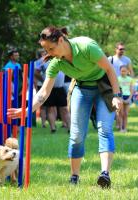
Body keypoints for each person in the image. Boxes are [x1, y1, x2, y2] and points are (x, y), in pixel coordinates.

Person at [7, 26, 122, 188]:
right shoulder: (56, 63)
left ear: (61, 40)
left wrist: (117, 96)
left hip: (105, 87)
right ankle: (74, 177)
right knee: (76, 135)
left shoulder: (86, 46)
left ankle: (105, 175)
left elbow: (109, 70)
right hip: (81, 89)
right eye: (46, 49)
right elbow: (43, 93)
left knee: (105, 129)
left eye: (51, 48)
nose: (49, 53)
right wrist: (26, 111)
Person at [118, 65, 134, 132]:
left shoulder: (130, 79)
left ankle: (125, 128)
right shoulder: (117, 79)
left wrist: (129, 98)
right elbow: (117, 90)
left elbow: (131, 90)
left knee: (126, 114)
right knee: (121, 113)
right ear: (120, 71)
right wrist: (120, 98)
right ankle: (121, 128)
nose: (123, 72)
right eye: (122, 71)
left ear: (127, 71)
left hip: (128, 97)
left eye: (124, 71)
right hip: (120, 97)